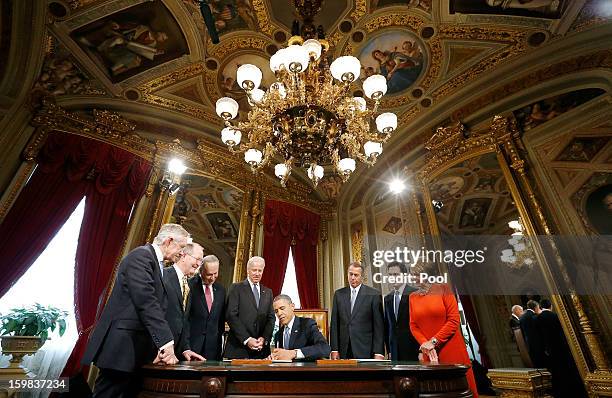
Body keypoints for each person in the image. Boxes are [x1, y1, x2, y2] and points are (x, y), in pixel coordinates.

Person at [82, 224, 189, 398]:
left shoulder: (157, 263)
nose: (182, 253)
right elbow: (146, 301)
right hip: (121, 348)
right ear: (169, 241)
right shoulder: (141, 256)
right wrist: (166, 342)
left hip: (135, 349)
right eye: (182, 247)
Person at [409, 281, 479, 397]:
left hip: (451, 348)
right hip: (430, 353)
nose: (414, 278)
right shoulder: (413, 297)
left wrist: (433, 342)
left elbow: (454, 320)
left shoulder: (444, 289)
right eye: (413, 274)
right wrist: (425, 344)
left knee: (460, 390)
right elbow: (413, 325)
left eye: (418, 274)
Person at [330, 262, 384, 359]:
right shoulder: (339, 294)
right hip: (344, 349)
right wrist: (334, 349)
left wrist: (379, 352)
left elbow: (378, 326)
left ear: (362, 277)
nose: (353, 278)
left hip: (365, 349)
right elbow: (334, 324)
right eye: (351, 274)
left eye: (356, 275)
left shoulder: (374, 294)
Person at [225, 256, 275, 359]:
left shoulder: (268, 292)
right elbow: (231, 315)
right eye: (254, 270)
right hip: (239, 348)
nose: (257, 273)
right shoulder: (236, 288)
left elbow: (271, 318)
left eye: (260, 270)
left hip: (261, 350)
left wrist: (264, 338)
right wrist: (247, 339)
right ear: (248, 271)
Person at [162, 243, 205, 361]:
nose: (198, 264)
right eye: (198, 259)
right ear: (184, 255)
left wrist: (185, 348)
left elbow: (183, 320)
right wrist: (162, 346)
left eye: (201, 261)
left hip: (175, 353)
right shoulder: (163, 276)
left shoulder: (187, 285)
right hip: (158, 351)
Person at [536, 299, 587, 398]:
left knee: (555, 371)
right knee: (566, 369)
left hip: (548, 350)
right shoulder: (556, 316)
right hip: (561, 347)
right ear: (551, 306)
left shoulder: (537, 319)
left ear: (541, 307)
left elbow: (539, 337)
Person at [186, 254, 226, 361]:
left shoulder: (221, 290)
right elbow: (185, 318)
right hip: (191, 346)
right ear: (201, 271)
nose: (213, 278)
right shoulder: (189, 286)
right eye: (209, 274)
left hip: (213, 349)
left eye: (215, 273)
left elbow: (220, 320)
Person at [268, 294, 331, 361]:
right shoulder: (278, 334)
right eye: (276, 311)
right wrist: (275, 357)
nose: (279, 313)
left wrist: (294, 353)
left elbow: (325, 348)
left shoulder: (307, 324)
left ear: (292, 306)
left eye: (282, 308)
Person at [384, 262, 419, 361]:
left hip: (414, 350)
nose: (392, 277)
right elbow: (388, 326)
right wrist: (389, 350)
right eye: (390, 275)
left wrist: (421, 350)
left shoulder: (415, 293)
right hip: (394, 352)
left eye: (396, 274)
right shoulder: (387, 298)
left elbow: (421, 324)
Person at [519, 300, 548, 367]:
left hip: (529, 345)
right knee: (545, 365)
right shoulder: (535, 316)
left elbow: (522, 333)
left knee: (536, 365)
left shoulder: (521, 318)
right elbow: (541, 331)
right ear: (535, 307)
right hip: (540, 345)